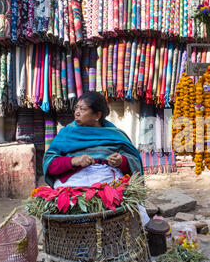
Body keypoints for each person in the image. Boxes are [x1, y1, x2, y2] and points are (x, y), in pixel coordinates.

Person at [43, 91, 150, 225]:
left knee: (129, 210)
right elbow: (50, 164)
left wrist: (121, 161)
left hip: (107, 181)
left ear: (97, 115)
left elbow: (133, 161)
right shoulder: (66, 133)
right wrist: (73, 161)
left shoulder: (114, 135)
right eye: (76, 108)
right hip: (73, 183)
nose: (77, 112)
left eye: (82, 109)